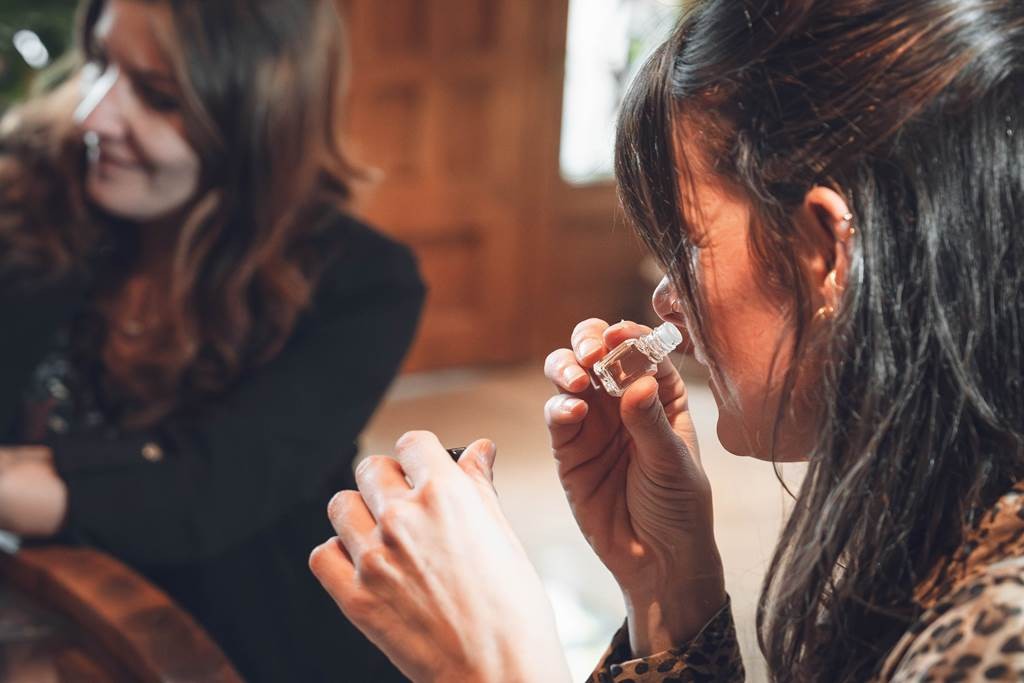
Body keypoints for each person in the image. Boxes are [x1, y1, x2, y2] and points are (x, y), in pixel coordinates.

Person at [309, 0, 1024, 680]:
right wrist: (670, 586)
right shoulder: (943, 518)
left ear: (826, 253)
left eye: (685, 243)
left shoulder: (1003, 629)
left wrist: (493, 661)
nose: (666, 302)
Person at [0, 0, 424, 680]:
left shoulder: (363, 283)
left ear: (260, 119)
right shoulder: (31, 196)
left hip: (257, 643)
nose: (93, 114)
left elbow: (203, 491)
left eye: (158, 95)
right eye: (101, 63)